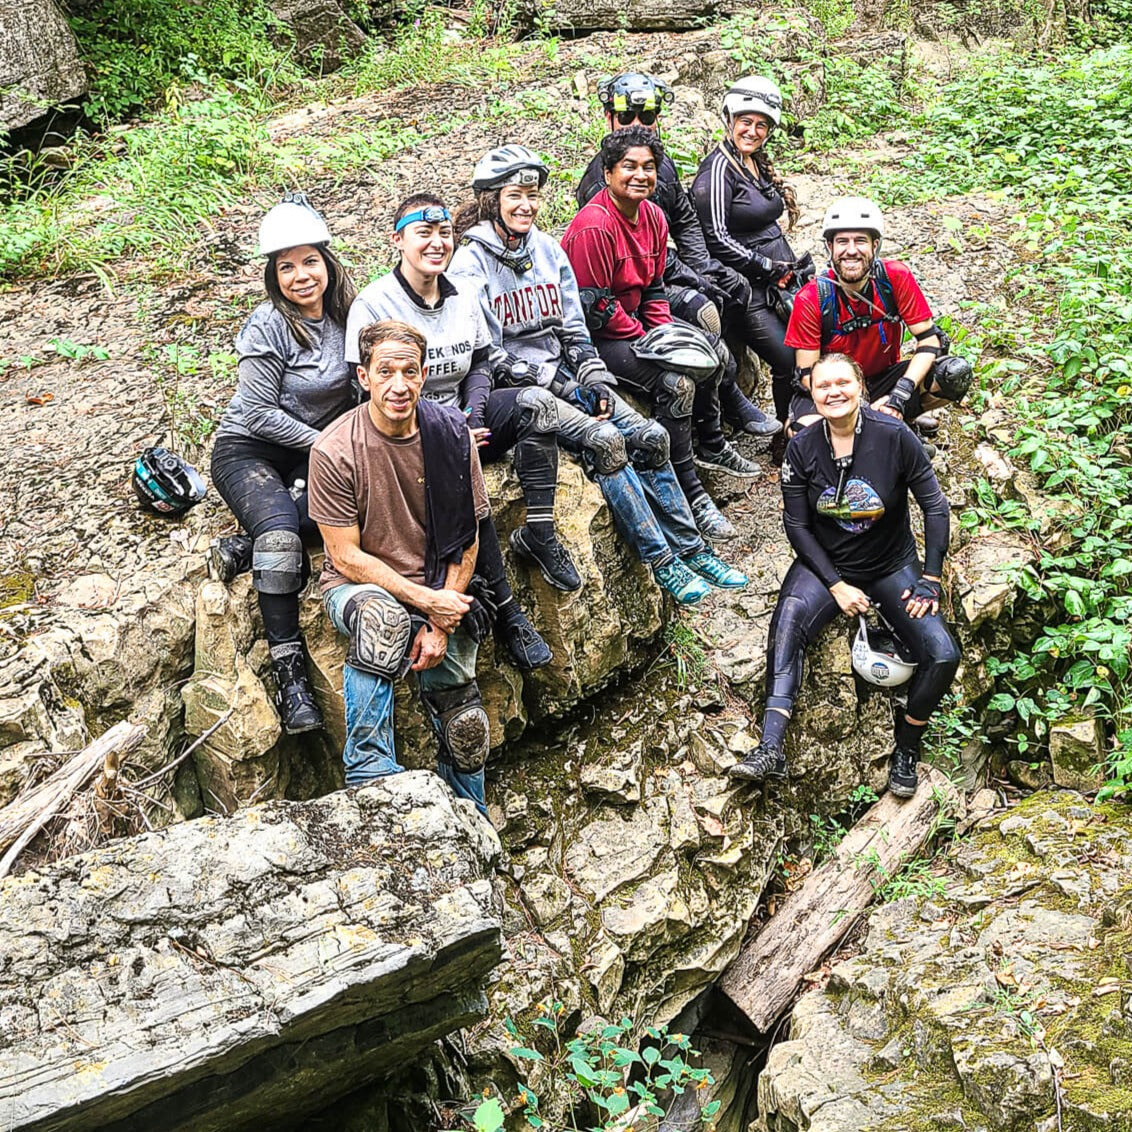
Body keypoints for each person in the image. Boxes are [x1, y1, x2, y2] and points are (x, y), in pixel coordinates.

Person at [449, 144, 748, 604]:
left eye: (533, 194)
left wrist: (595, 378)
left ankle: (693, 547)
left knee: (652, 436)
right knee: (608, 443)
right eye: (515, 195)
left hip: (566, 372)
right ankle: (663, 562)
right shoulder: (470, 265)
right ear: (492, 200)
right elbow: (488, 354)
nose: (526, 204)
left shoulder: (546, 250)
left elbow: (573, 325)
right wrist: (564, 386)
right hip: (522, 389)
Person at [344, 193, 565, 670]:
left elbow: (481, 361)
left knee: (537, 407)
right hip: (404, 426)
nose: (436, 243)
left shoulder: (462, 290)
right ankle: (509, 612)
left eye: (444, 233)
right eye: (423, 233)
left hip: (465, 415)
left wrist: (473, 414)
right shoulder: (374, 303)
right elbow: (366, 390)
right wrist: (447, 429)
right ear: (398, 240)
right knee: (454, 463)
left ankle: (541, 531)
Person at [728, 354, 960, 799]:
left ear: (860, 388)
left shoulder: (895, 436)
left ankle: (907, 746)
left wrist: (931, 577)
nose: (833, 393)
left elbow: (934, 505)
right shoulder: (802, 447)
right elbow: (796, 525)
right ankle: (771, 746)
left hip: (892, 565)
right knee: (789, 618)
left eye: (842, 383)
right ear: (812, 394)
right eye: (822, 386)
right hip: (828, 565)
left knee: (943, 654)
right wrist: (835, 585)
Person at [309, 319, 491, 815]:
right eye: (384, 371)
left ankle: (472, 815)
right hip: (357, 586)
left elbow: (467, 537)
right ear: (364, 376)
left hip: (437, 586)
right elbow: (345, 556)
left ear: (424, 374)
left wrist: (439, 620)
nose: (398, 384)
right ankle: (369, 773)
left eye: (409, 371)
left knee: (467, 727)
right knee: (382, 620)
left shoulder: (451, 434)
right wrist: (424, 602)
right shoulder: (334, 449)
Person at [209, 192, 356, 734]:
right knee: (280, 540)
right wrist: (325, 444)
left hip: (312, 447)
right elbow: (257, 412)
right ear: (273, 276)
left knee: (360, 506)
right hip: (249, 448)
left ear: (327, 261)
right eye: (285, 266)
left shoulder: (347, 312)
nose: (300, 276)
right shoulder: (267, 325)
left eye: (309, 261)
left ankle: (242, 547)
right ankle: (290, 671)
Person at [561, 127, 746, 543]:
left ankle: (712, 442)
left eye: (649, 167)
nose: (640, 175)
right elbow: (594, 305)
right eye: (629, 167)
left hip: (636, 324)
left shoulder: (654, 217)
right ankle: (687, 491)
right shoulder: (594, 226)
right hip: (598, 338)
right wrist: (647, 340)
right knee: (677, 381)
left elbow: (654, 287)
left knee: (708, 350)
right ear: (608, 172)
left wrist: (664, 332)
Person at [576, 72, 781, 442]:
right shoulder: (599, 186)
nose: (638, 124)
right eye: (627, 117)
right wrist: (692, 276)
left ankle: (726, 405)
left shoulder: (661, 163)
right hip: (628, 293)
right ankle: (724, 410)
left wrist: (701, 266)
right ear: (609, 118)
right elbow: (635, 256)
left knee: (726, 288)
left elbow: (684, 219)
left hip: (658, 275)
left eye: (648, 116)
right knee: (703, 309)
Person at [785, 197, 973, 435]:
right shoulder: (811, 297)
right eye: (842, 241)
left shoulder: (895, 278)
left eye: (860, 241)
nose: (851, 250)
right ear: (829, 247)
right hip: (835, 387)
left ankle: (900, 418)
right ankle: (881, 429)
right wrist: (859, 407)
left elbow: (929, 341)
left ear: (875, 245)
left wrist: (901, 394)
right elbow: (808, 375)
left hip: (885, 378)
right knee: (801, 429)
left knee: (953, 374)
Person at [692, 75, 810, 430]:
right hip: (747, 290)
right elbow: (716, 238)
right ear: (729, 120)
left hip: (781, 277)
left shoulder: (752, 162)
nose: (753, 131)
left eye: (761, 125)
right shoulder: (716, 172)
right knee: (789, 360)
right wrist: (766, 267)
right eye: (746, 122)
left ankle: (809, 427)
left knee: (814, 347)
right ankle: (787, 437)